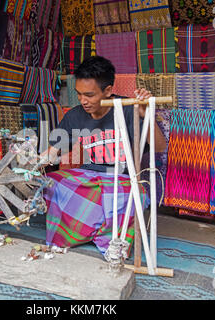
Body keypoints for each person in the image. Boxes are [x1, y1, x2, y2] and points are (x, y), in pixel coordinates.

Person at [41, 55, 167, 256]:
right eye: (79, 94)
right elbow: (53, 152)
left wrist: (146, 114)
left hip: (122, 179)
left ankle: (99, 236)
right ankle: (91, 231)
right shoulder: (75, 115)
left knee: (131, 195)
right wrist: (31, 164)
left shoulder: (129, 108)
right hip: (89, 178)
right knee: (51, 182)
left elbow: (160, 147)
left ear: (108, 91)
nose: (83, 101)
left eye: (89, 95)